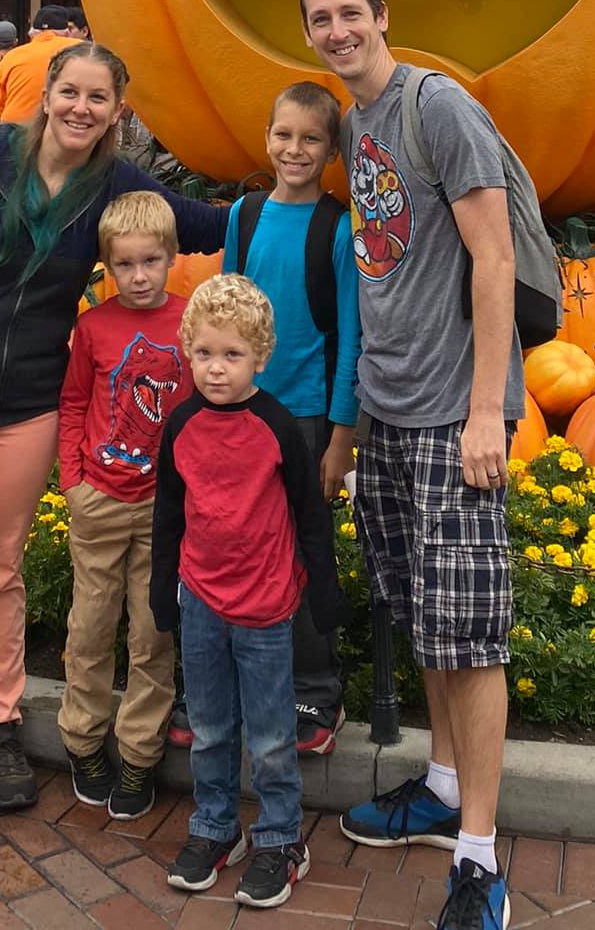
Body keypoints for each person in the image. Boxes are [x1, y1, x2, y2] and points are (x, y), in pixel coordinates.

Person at [0, 38, 225, 850]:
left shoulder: (117, 185)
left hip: (27, 407)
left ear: (116, 112)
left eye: (99, 98)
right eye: (71, 92)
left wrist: (300, 190)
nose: (81, 108)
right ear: (47, 92)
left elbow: (201, 226)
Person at [298, 0, 521, 930]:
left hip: (450, 411)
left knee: (469, 633)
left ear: (384, 15)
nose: (339, 29)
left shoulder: (440, 108)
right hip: (387, 409)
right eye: (322, 18)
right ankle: (436, 784)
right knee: (424, 613)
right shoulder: (355, 124)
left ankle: (479, 855)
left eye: (353, 12)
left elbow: (495, 252)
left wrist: (485, 410)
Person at [153, 274, 345, 911]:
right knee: (208, 727)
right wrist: (163, 588)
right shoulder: (180, 424)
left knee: (268, 734)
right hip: (202, 600)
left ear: (259, 357)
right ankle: (214, 827)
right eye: (204, 353)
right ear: (188, 351)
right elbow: (169, 513)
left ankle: (281, 838)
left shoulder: (278, 427)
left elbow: (308, 515)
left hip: (265, 606)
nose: (215, 369)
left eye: (232, 355)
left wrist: (324, 591)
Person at [218, 80, 361, 757]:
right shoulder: (244, 216)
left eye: (310, 139)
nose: (294, 149)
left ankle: (317, 689)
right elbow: (225, 311)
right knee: (241, 547)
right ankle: (246, 677)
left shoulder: (337, 228)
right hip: (245, 412)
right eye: (284, 135)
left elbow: (351, 336)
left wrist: (341, 436)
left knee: (306, 555)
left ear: (330, 150)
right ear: (268, 136)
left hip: (306, 418)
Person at [58, 190, 191, 821]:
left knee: (152, 632)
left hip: (164, 509)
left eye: (150, 262)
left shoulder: (190, 324)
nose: (139, 277)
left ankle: (138, 754)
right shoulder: (94, 327)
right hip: (101, 501)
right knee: (89, 628)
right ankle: (84, 741)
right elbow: (75, 403)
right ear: (107, 268)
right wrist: (73, 480)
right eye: (125, 266)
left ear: (170, 258)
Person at [0, 6, 78, 125]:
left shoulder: (11, 57)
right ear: (67, 33)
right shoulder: (81, 49)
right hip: (64, 128)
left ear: (32, 33)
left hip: (16, 131)